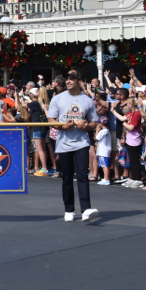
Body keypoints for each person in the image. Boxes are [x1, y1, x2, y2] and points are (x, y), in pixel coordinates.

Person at [48, 70, 99, 223]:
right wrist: (63, 127)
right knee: (67, 177)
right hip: (63, 142)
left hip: (81, 142)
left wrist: (86, 126)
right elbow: (51, 120)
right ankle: (69, 209)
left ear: (78, 81)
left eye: (71, 79)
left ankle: (86, 210)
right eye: (67, 79)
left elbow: (93, 123)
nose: (68, 81)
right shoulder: (57, 99)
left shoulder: (87, 100)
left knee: (83, 175)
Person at [95, 117, 111, 185]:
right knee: (105, 165)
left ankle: (106, 179)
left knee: (104, 166)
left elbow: (96, 138)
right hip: (106, 150)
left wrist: (97, 130)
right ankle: (105, 178)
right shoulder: (107, 130)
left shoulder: (103, 131)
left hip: (103, 151)